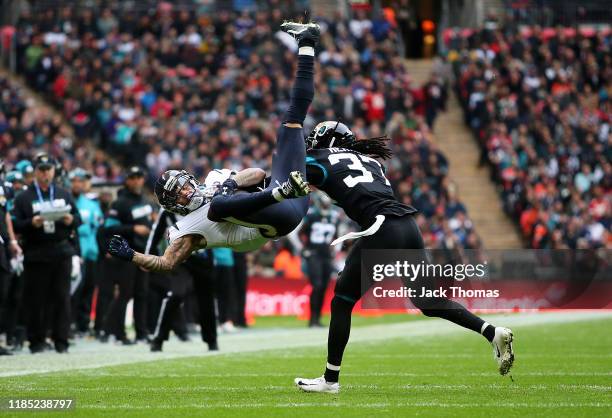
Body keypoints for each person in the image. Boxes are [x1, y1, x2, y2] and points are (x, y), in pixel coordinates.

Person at [293, 121, 515, 393]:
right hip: (408, 227)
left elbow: (289, 174)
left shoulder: (318, 158)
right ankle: (492, 332)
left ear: (327, 142)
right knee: (428, 301)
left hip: (382, 228)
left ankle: (330, 380)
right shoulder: (373, 163)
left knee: (343, 299)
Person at [107, 21, 320, 271]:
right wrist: (132, 255)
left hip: (293, 197)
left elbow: (258, 174)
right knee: (218, 206)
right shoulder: (186, 228)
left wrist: (233, 183)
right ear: (175, 205)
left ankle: (307, 44)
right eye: (179, 195)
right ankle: (283, 190)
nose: (186, 192)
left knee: (292, 122)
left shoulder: (213, 178)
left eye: (184, 186)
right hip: (276, 221)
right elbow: (165, 263)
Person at [11, 153, 80, 353]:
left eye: (48, 169)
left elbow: (77, 218)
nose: (45, 173)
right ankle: (37, 341)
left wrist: (70, 220)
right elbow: (14, 222)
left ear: (53, 171)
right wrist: (30, 223)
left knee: (62, 298)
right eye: (41, 170)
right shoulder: (24, 197)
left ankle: (61, 341)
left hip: (61, 250)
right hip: (36, 251)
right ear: (35, 172)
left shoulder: (62, 193)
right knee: (36, 299)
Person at [101, 166, 153, 343]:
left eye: (140, 177)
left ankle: (141, 333)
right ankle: (117, 333)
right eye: (133, 177)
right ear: (127, 180)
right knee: (125, 294)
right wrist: (133, 228)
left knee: (142, 293)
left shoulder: (145, 201)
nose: (137, 180)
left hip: (143, 252)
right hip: (126, 254)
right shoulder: (120, 203)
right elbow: (109, 227)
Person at [69, 168, 103, 335]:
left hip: (91, 252)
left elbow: (98, 226)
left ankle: (83, 324)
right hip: (75, 252)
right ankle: (71, 322)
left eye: (80, 181)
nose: (78, 184)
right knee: (75, 289)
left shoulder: (92, 204)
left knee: (89, 288)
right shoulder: (67, 201)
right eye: (74, 181)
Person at [300, 193, 340, 327]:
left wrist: (334, 250)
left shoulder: (333, 218)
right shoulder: (312, 216)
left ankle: (317, 318)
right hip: (314, 254)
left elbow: (336, 237)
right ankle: (312, 319)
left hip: (326, 256)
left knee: (323, 286)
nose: (325, 206)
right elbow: (300, 233)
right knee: (316, 285)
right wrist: (304, 248)